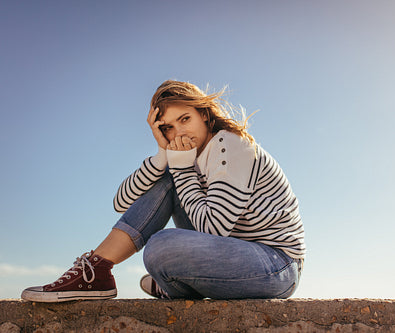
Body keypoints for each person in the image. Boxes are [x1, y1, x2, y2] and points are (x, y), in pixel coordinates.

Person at [21, 80, 305, 302]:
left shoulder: (229, 145)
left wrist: (180, 169)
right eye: (168, 127)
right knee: (165, 181)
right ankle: (97, 271)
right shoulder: (186, 153)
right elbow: (121, 202)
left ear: (204, 115)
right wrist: (162, 156)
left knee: (160, 248)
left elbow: (214, 229)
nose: (179, 134)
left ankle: (175, 283)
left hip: (277, 265)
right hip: (229, 256)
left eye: (185, 119)